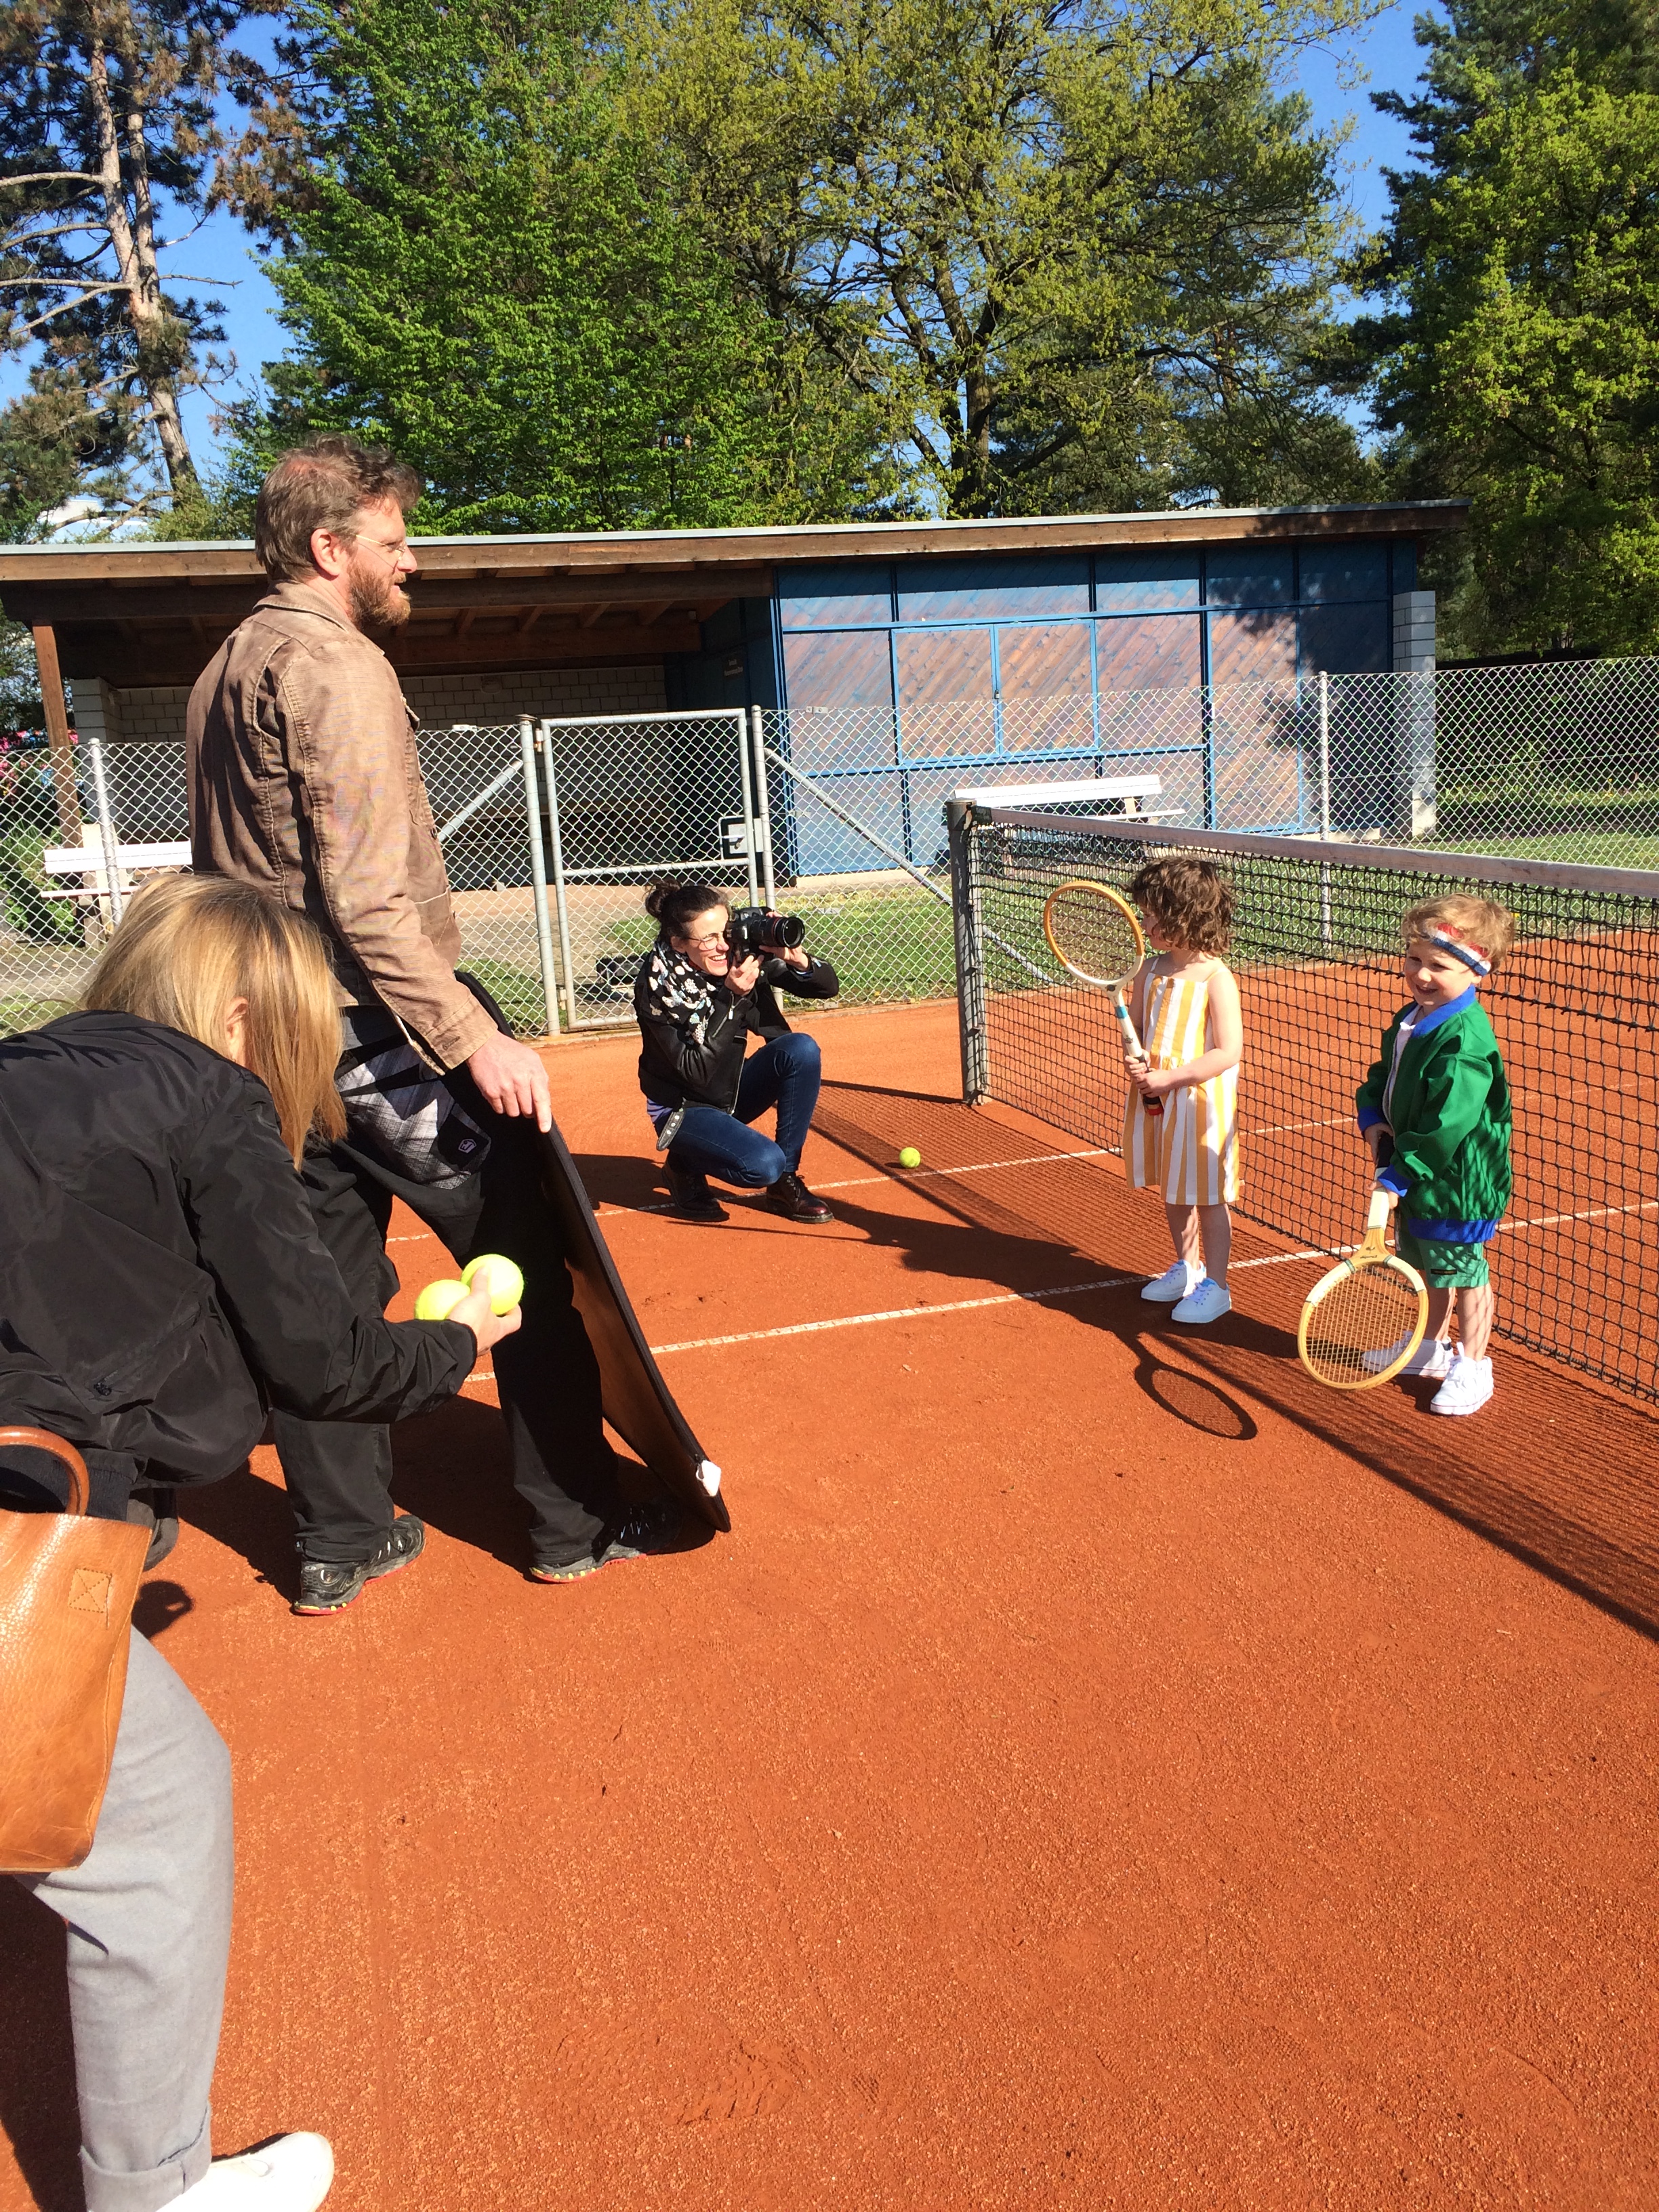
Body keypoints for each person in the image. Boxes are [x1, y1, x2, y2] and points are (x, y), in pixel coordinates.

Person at [1, 878, 520, 2211]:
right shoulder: (209, 1096)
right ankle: (151, 2192)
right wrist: (459, 1346)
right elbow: (325, 1361)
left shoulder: (28, 1074)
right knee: (159, 1813)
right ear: (243, 1021)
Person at [187, 432, 666, 1599]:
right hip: (377, 1038)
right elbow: (364, 898)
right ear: (329, 546)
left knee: (329, 1295)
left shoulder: (219, 668)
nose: (415, 566)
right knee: (526, 1271)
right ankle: (570, 1520)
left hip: (271, 1040)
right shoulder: (339, 667)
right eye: (397, 545)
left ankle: (340, 1537)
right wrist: (471, 1037)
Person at [1356, 893, 1515, 1415]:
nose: (1421, 975)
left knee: (1464, 1271)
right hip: (1420, 1171)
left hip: (1459, 1181)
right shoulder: (1414, 1015)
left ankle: (1473, 1365)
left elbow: (1450, 1123)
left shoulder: (1465, 1040)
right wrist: (1371, 1114)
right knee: (1426, 1266)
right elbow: (1386, 1072)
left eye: (1438, 966)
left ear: (1477, 971)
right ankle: (1429, 1348)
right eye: (1414, 959)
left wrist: (1404, 1170)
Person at [634, 880, 840, 1223]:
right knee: (762, 1166)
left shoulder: (739, 956)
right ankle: (683, 1163)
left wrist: (795, 958)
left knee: (800, 1049)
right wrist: (730, 998)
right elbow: (694, 1071)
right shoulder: (659, 987)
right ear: (680, 944)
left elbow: (827, 987)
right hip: (683, 1106)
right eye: (708, 939)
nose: (721, 947)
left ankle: (784, 1182)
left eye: (725, 933)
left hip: (727, 1089)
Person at [1121, 856, 1244, 1326]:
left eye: (1152, 913)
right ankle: (1187, 1268)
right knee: (1174, 1190)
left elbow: (1228, 1051)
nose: (1144, 922)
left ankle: (1217, 1284)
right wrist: (1134, 1054)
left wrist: (1171, 1079)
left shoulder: (1217, 978)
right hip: (1155, 1096)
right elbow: (1136, 1027)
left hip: (1199, 1106)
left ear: (1183, 916)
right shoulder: (1148, 969)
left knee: (1207, 1196)